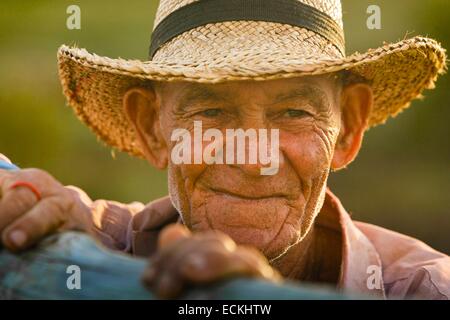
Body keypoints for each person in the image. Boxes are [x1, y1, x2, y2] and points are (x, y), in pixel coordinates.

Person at [0, 0, 448, 299]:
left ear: (347, 126)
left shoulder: (427, 289)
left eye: (293, 113)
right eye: (211, 110)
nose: (254, 160)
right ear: (151, 129)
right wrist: (39, 216)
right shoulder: (90, 245)